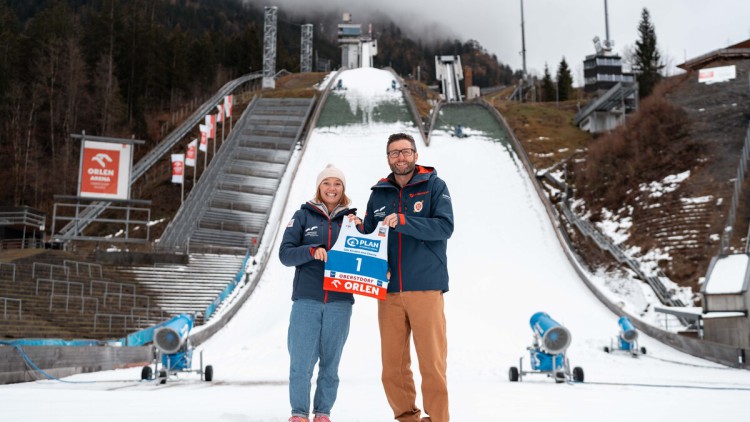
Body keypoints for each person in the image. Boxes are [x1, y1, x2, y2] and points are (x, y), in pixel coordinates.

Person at [362, 133, 455, 422]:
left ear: (415, 154)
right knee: (392, 368)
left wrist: (404, 221)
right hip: (388, 291)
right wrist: (356, 227)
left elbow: (444, 227)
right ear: (388, 158)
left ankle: (438, 419)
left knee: (432, 363)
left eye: (405, 151)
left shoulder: (434, 187)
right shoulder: (379, 193)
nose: (400, 157)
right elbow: (368, 237)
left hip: (425, 287)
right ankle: (407, 418)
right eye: (394, 153)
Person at [279, 164, 361, 422]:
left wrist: (363, 229)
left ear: (343, 189)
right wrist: (311, 251)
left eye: (337, 184)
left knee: (331, 363)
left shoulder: (353, 220)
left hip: (340, 301)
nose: (332, 188)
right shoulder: (302, 217)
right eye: (327, 183)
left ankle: (323, 412)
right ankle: (299, 413)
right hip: (307, 300)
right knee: (301, 361)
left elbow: (369, 254)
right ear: (319, 187)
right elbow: (285, 254)